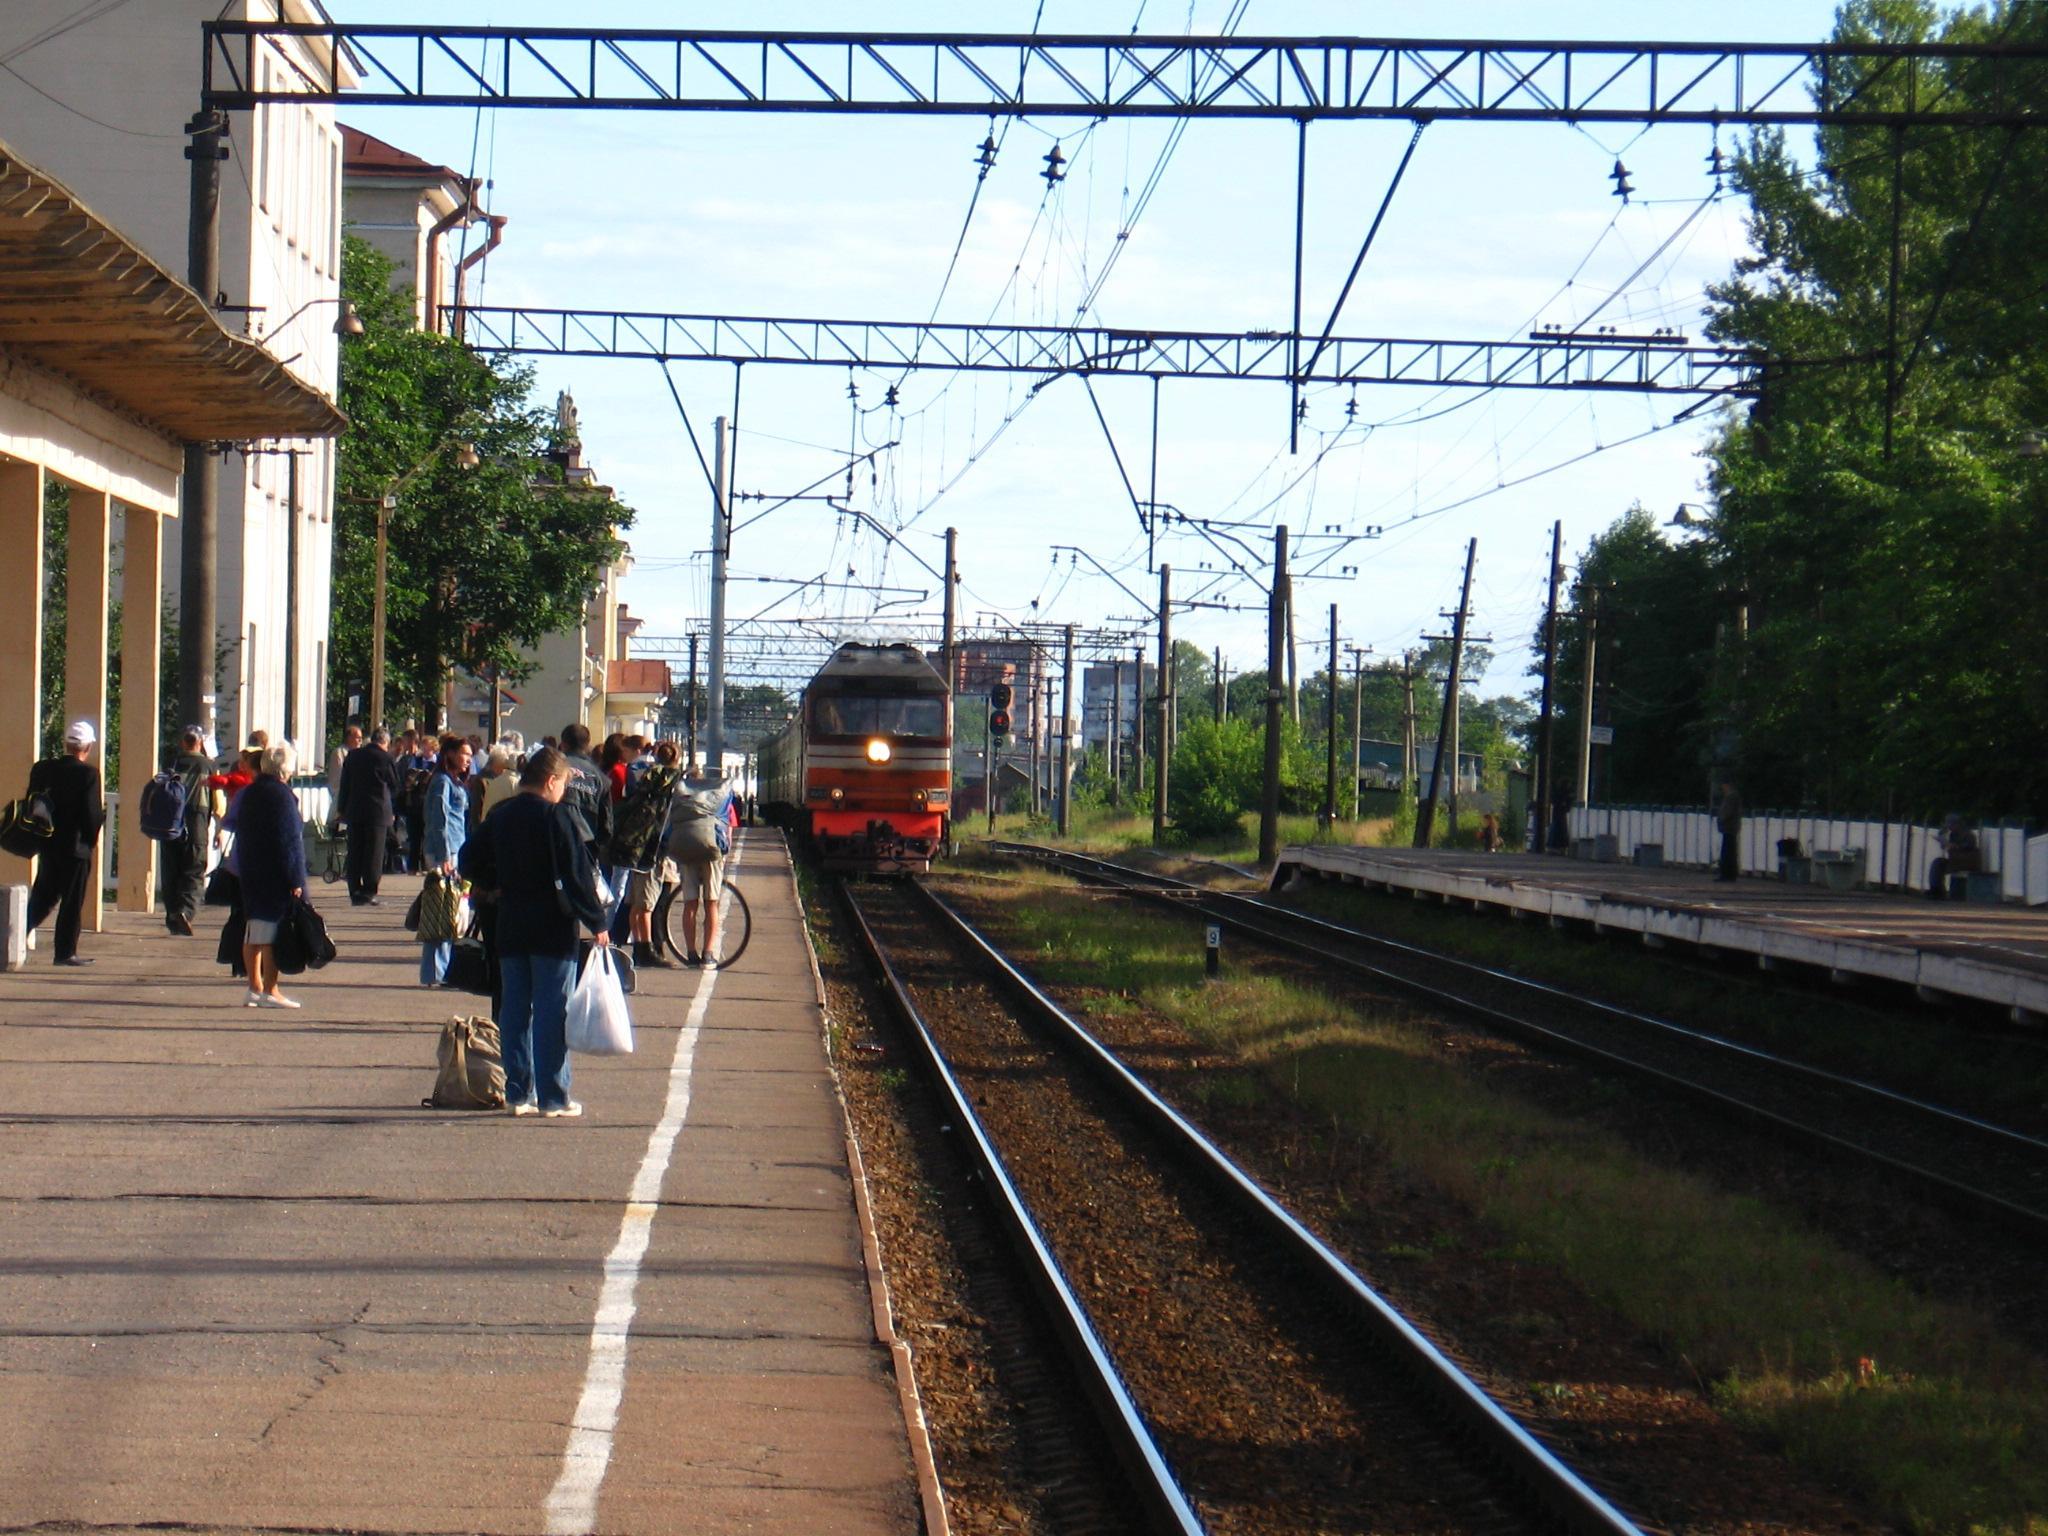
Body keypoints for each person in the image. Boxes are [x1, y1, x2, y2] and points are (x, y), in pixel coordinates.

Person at [460, 747, 610, 1118]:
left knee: (514, 1010)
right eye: (562, 785)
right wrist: (597, 922)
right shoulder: (557, 818)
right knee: (551, 1011)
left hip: (510, 922)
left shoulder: (501, 815)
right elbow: (577, 876)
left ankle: (516, 1092)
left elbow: (468, 859)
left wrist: (493, 884)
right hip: (552, 927)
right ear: (551, 781)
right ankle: (554, 1098)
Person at [233, 742, 309, 1009]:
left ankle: (253, 988)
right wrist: (295, 880)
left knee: (252, 931)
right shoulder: (281, 796)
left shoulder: (250, 792)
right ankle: (270, 990)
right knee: (271, 935)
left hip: (252, 869)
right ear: (285, 769)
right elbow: (289, 842)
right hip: (274, 873)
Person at [26, 720, 106, 967]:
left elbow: (31, 800)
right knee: (71, 901)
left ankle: (11, 933)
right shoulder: (88, 774)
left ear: (67, 743)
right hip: (76, 847)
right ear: (88, 747)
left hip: (48, 843)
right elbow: (91, 813)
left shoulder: (42, 769)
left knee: (43, 896)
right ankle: (65, 951)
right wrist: (91, 838)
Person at [610, 738, 682, 970]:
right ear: (676, 759)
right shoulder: (672, 782)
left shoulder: (643, 775)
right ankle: (646, 950)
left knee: (636, 903)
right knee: (646, 905)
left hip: (636, 844)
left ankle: (643, 948)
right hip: (654, 847)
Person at [420, 733, 472, 987]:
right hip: (446, 851)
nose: (468, 760)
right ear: (450, 754)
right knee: (442, 911)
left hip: (456, 849)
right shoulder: (442, 782)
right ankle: (434, 971)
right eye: (465, 754)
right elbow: (438, 819)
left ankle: (443, 969)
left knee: (452, 913)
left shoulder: (455, 782)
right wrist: (444, 856)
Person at [665, 773, 734, 968]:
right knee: (712, 903)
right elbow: (728, 826)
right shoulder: (716, 796)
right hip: (711, 848)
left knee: (690, 904)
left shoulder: (680, 795)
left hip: (686, 848)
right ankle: (708, 954)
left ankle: (691, 954)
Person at [159, 725, 216, 936]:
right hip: (197, 822)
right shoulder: (208, 766)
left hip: (170, 825)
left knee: (171, 872)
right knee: (194, 871)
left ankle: (173, 915)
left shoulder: (170, 764)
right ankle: (186, 911)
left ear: (183, 742)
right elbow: (216, 803)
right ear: (199, 742)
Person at [339, 726, 400, 906]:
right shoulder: (386, 758)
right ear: (385, 742)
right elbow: (395, 785)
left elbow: (345, 785)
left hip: (355, 810)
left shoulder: (353, 756)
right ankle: (369, 890)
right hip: (377, 812)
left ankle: (354, 889)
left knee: (355, 850)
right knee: (374, 853)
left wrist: (342, 809)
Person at [1927, 813, 1981, 900]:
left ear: (1957, 824)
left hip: (1965, 861)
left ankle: (1937, 891)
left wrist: (1952, 845)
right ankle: (1936, 889)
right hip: (1955, 860)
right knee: (1937, 863)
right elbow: (1945, 847)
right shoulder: (1952, 834)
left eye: (1950, 824)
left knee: (1939, 864)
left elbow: (1967, 847)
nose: (1949, 827)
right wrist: (1942, 836)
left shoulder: (1968, 835)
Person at [326, 723, 362, 801]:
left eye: (361, 738)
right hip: (340, 795)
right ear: (349, 738)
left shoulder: (357, 754)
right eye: (358, 738)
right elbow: (339, 776)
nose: (360, 741)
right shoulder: (339, 752)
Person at [1714, 781, 1742, 882]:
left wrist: (1721, 819)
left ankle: (1727, 874)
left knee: (1728, 852)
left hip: (1729, 827)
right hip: (1730, 828)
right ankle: (1728, 874)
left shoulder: (1731, 797)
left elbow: (1728, 812)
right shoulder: (1732, 796)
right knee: (1729, 851)